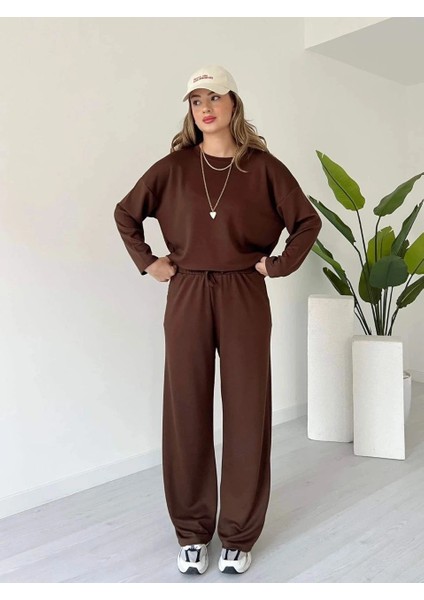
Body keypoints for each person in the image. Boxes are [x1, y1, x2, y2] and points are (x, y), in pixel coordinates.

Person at [114, 64, 322, 576]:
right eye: (195, 100)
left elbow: (306, 221)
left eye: (214, 97)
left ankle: (238, 533)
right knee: (186, 406)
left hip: (243, 291)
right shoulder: (173, 167)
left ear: (233, 103)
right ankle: (191, 531)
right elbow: (126, 212)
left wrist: (277, 265)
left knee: (247, 408)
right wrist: (149, 262)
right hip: (186, 290)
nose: (204, 108)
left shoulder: (264, 168)